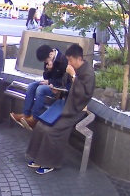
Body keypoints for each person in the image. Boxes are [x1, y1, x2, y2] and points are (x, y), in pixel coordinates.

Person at [25, 44, 95, 174]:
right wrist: (56, 88)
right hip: (64, 104)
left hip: (76, 109)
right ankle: (38, 157)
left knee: (53, 131)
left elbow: (83, 94)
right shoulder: (72, 68)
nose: (69, 63)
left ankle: (50, 163)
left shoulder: (88, 73)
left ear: (79, 59)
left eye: (71, 60)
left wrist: (74, 76)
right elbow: (65, 85)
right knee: (41, 125)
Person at [10, 44, 69, 130]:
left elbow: (65, 79)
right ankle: (25, 114)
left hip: (58, 87)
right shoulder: (47, 60)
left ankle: (34, 118)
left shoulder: (63, 60)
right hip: (49, 83)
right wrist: (49, 70)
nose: (45, 62)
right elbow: (45, 76)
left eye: (46, 60)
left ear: (51, 54)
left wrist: (50, 82)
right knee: (31, 86)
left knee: (40, 90)